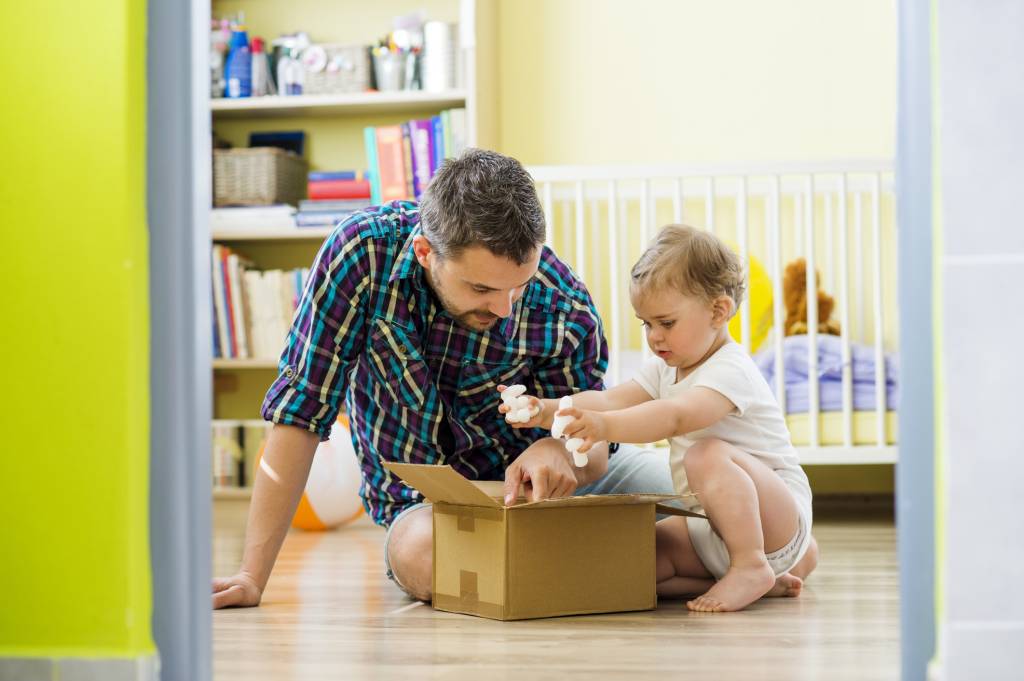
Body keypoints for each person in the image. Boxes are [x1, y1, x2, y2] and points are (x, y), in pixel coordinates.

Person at [212, 149, 673, 608]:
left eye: (520, 285)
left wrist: (558, 449)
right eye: (482, 289)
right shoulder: (361, 256)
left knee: (713, 495)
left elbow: (594, 450)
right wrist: (252, 575)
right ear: (426, 252)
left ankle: (575, 571)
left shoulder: (563, 302)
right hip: (424, 509)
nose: (505, 307)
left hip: (551, 501)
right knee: (422, 553)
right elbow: (300, 411)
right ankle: (637, 566)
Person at [502, 224, 818, 612]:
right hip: (713, 523)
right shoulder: (665, 367)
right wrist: (548, 409)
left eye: (666, 323)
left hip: (773, 517)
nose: (654, 337)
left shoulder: (730, 369)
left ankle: (751, 565)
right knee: (636, 562)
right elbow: (611, 399)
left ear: (718, 311)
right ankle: (753, 578)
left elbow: (674, 416)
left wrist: (605, 428)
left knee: (705, 454)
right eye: (646, 323)